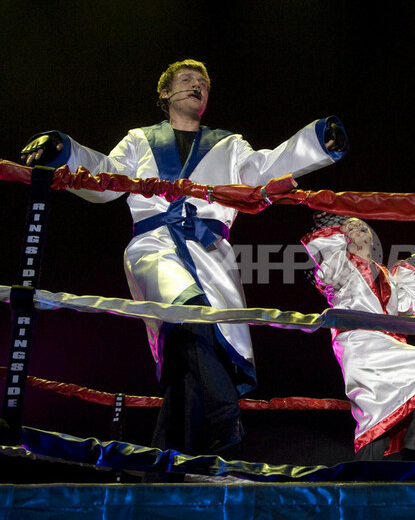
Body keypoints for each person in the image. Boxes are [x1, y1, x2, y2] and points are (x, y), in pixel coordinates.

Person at [19, 59, 348, 458]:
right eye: (187, 79)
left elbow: (262, 167)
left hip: (211, 254)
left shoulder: (229, 143)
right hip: (155, 244)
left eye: (203, 83)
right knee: (189, 314)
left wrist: (317, 141)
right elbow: (108, 176)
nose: (197, 86)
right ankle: (225, 414)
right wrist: (64, 152)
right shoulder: (140, 139)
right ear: (165, 92)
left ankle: (166, 464)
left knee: (186, 357)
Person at [301, 213, 415, 460]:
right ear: (342, 236)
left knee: (386, 414)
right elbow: (326, 252)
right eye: (349, 227)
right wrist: (332, 217)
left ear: (372, 238)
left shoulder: (385, 274)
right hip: (359, 342)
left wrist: (409, 266)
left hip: (388, 343)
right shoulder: (339, 267)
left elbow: (406, 307)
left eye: (362, 225)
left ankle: (409, 451)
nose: (357, 227)